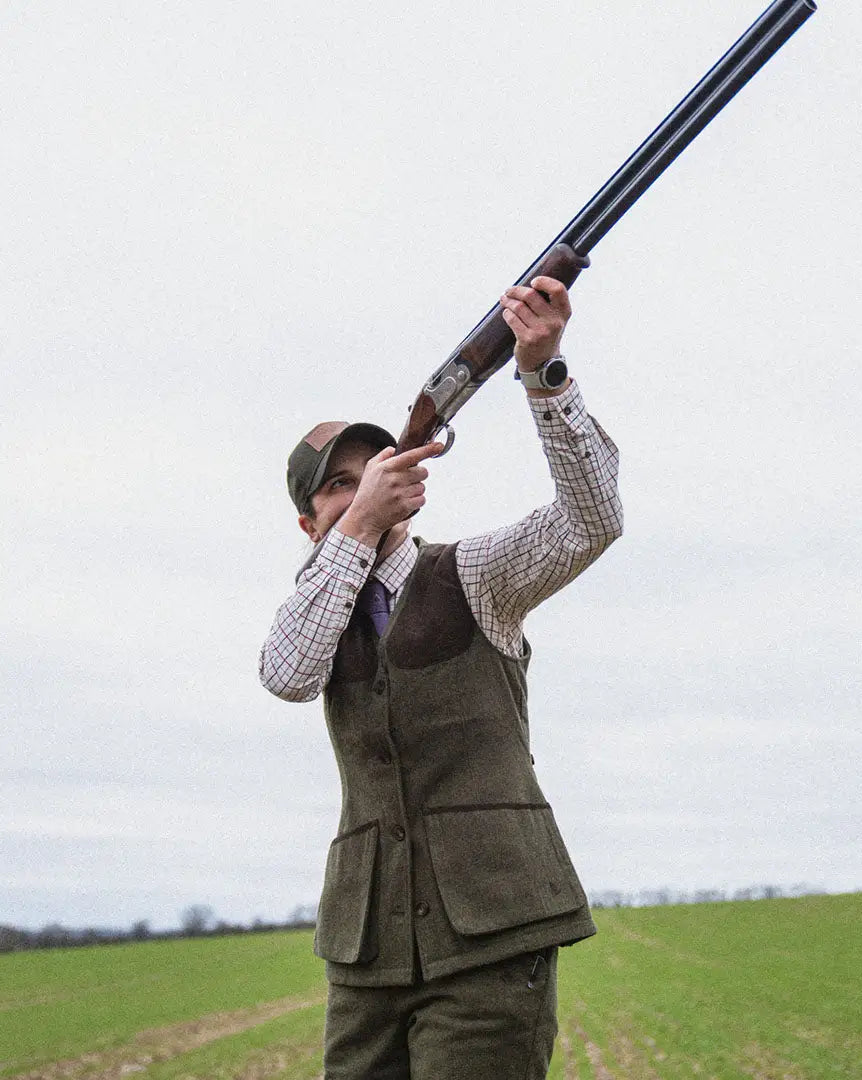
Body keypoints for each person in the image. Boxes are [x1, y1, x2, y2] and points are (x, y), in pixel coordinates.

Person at [258, 275, 623, 1079]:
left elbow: (592, 520)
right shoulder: (315, 614)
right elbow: (285, 674)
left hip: (492, 939)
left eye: (373, 469)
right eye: (338, 484)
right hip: (369, 957)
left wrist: (542, 369)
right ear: (308, 519)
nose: (363, 489)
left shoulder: (476, 575)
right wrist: (360, 524)